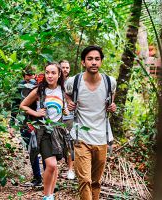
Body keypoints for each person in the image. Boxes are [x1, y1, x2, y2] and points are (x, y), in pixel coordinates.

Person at [65, 45, 117, 200]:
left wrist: (112, 106)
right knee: (85, 180)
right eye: (90, 59)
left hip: (102, 137)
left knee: (96, 181)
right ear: (83, 62)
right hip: (81, 137)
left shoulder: (109, 82)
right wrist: (69, 103)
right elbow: (67, 94)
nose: (94, 62)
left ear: (101, 62)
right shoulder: (74, 81)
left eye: (97, 59)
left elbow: (111, 97)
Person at [20, 63, 68, 200]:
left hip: (59, 131)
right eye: (47, 72)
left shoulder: (63, 91)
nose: (50, 75)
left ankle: (51, 195)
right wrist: (35, 113)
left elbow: (68, 107)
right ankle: (46, 196)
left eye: (53, 73)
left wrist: (66, 109)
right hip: (44, 130)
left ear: (59, 75)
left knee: (54, 166)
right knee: (51, 164)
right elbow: (23, 105)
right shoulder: (39, 91)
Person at [9, 68, 43, 187]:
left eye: (32, 75)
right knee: (32, 150)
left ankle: (47, 178)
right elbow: (15, 105)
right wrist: (11, 124)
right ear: (24, 76)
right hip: (25, 122)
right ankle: (37, 177)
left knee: (44, 150)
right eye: (28, 75)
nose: (30, 77)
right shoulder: (20, 87)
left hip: (40, 121)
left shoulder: (39, 86)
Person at [59, 60, 75, 180]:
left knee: (70, 143)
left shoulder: (72, 82)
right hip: (55, 118)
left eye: (67, 67)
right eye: (63, 67)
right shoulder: (53, 81)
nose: (65, 69)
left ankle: (71, 169)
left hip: (69, 117)